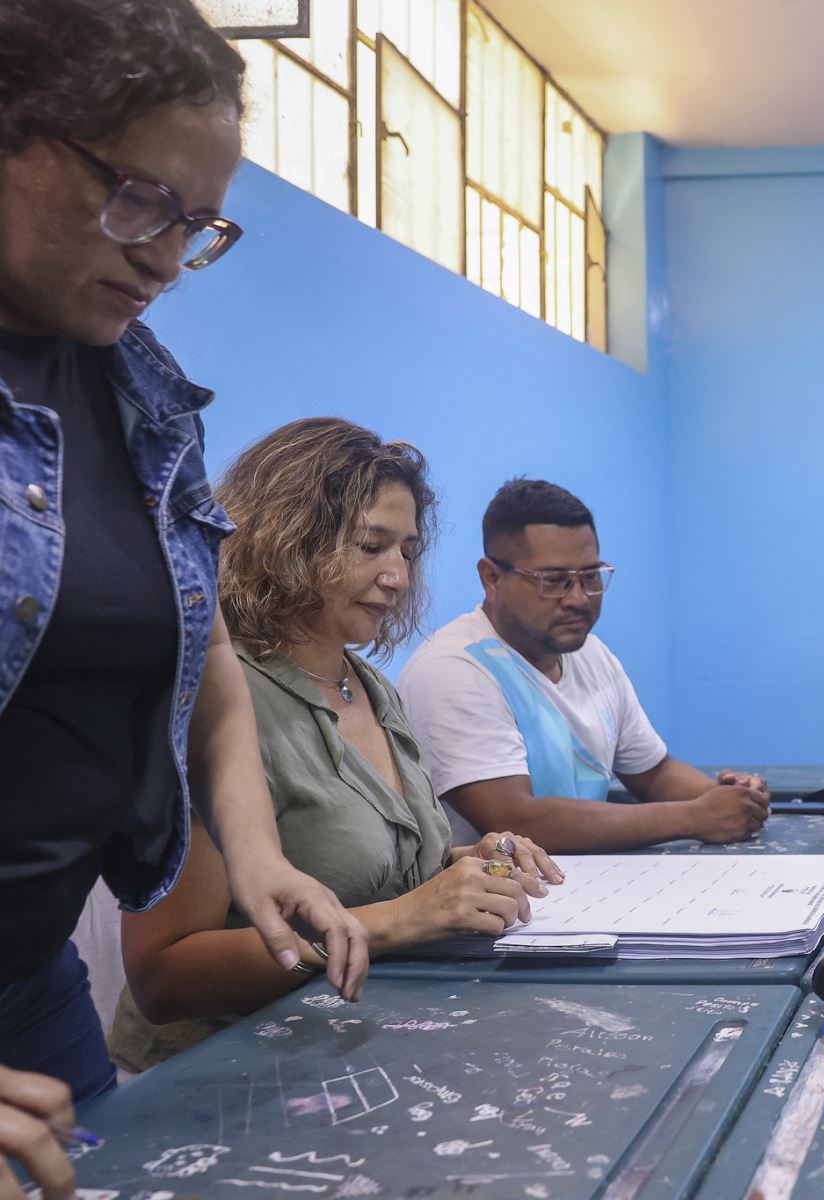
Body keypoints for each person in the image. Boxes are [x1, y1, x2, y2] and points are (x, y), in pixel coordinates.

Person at [0, 1, 365, 1190]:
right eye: (140, 198)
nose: (164, 254)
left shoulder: (140, 396)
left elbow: (192, 637)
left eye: (198, 224)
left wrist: (255, 853)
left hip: (29, 977)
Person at [111, 419, 560, 1071]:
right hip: (217, 1076)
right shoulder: (211, 697)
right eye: (371, 546)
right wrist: (405, 919)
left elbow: (362, 868)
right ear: (284, 540)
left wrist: (470, 867)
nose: (397, 577)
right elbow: (165, 976)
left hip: (352, 1049)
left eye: (406, 551)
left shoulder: (370, 685)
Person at [399, 480, 771, 851]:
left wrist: (731, 800)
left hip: (588, 888)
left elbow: (655, 774)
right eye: (554, 581)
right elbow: (514, 820)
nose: (577, 599)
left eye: (590, 576)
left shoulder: (592, 655)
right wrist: (694, 817)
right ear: (491, 578)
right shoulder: (452, 668)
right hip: (498, 903)